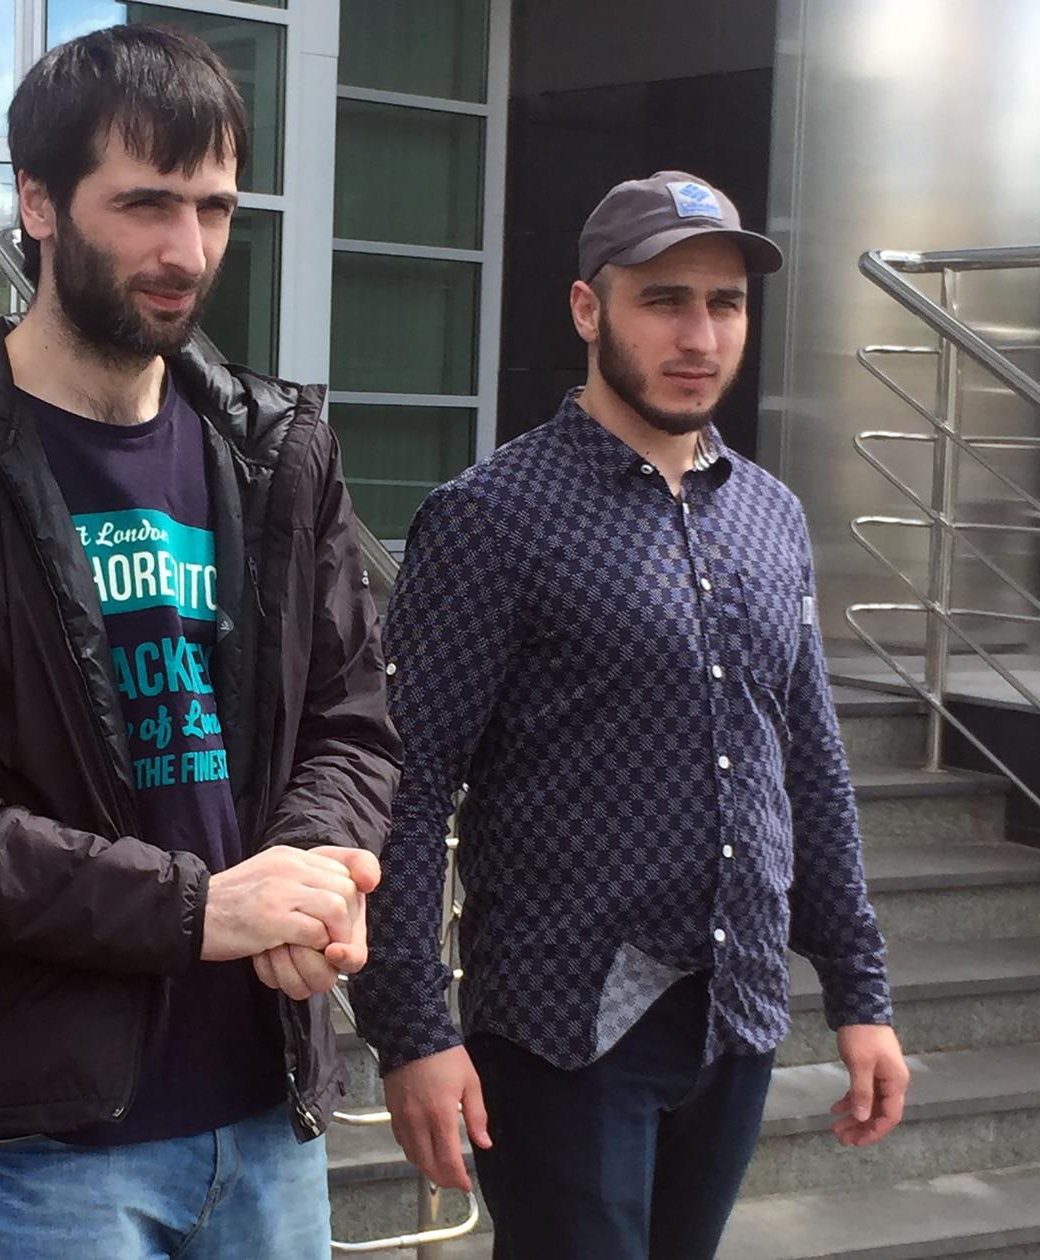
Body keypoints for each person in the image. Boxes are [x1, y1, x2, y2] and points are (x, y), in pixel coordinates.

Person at [0, 24, 399, 1260]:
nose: (187, 251)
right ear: (37, 202)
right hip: (46, 1148)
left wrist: (308, 869)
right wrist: (195, 910)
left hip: (268, 1112)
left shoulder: (280, 452)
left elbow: (351, 723)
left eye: (214, 207)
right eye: (144, 205)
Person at [349, 171, 912, 1259]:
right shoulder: (491, 518)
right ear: (587, 308)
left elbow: (808, 765)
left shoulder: (771, 515)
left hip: (736, 1013)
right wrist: (411, 1027)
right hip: (564, 1027)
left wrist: (860, 992)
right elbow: (404, 788)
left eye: (725, 303)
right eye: (663, 301)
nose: (699, 336)